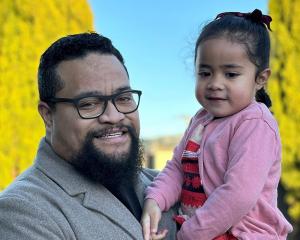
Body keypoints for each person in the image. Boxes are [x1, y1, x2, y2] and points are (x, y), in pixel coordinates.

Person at [0, 32, 177, 240]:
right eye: (89, 104)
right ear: (48, 115)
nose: (114, 116)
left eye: (123, 98)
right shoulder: (22, 212)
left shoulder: (166, 186)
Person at [141, 9, 293, 240]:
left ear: (260, 78)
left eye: (230, 74)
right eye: (205, 73)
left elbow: (238, 195)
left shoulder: (255, 124)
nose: (215, 83)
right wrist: (155, 200)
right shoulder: (200, 119)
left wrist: (189, 235)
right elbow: (177, 168)